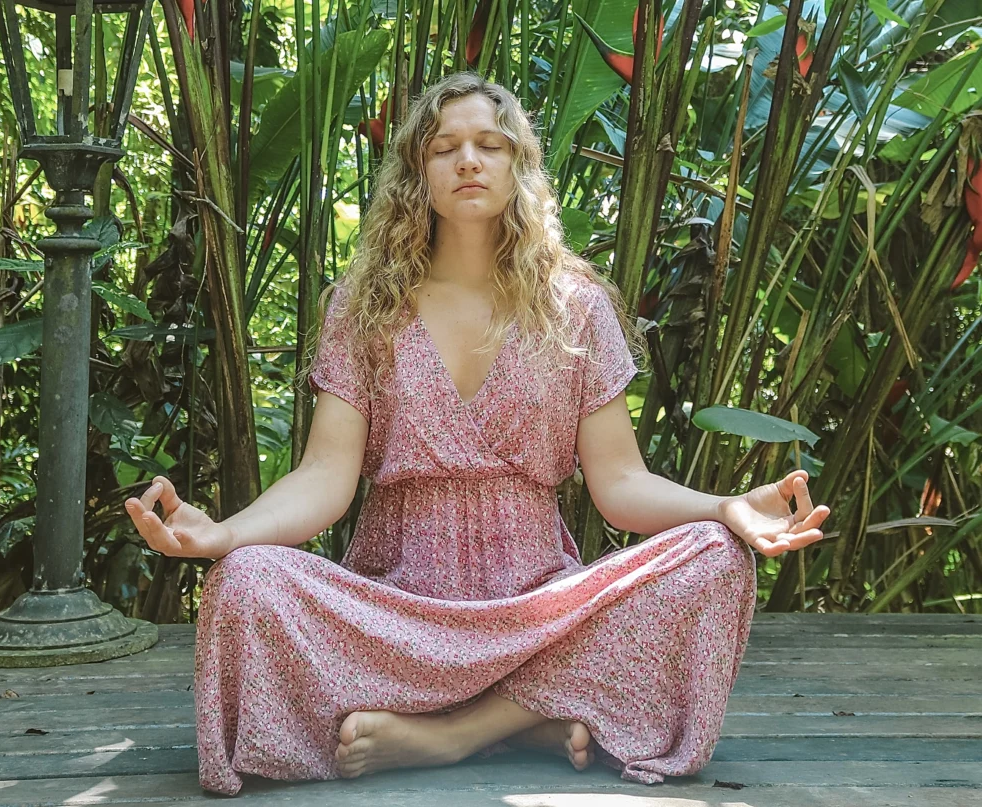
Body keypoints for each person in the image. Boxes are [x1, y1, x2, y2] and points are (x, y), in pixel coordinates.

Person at [124, 71, 830, 796]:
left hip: (538, 614)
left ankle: (453, 734)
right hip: (395, 617)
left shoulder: (575, 305)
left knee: (715, 557)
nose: (468, 160)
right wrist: (225, 536)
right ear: (415, 172)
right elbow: (325, 479)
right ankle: (524, 722)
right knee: (244, 579)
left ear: (518, 166)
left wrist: (724, 508)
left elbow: (619, 484)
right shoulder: (366, 304)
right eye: (445, 147)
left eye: (490, 144)